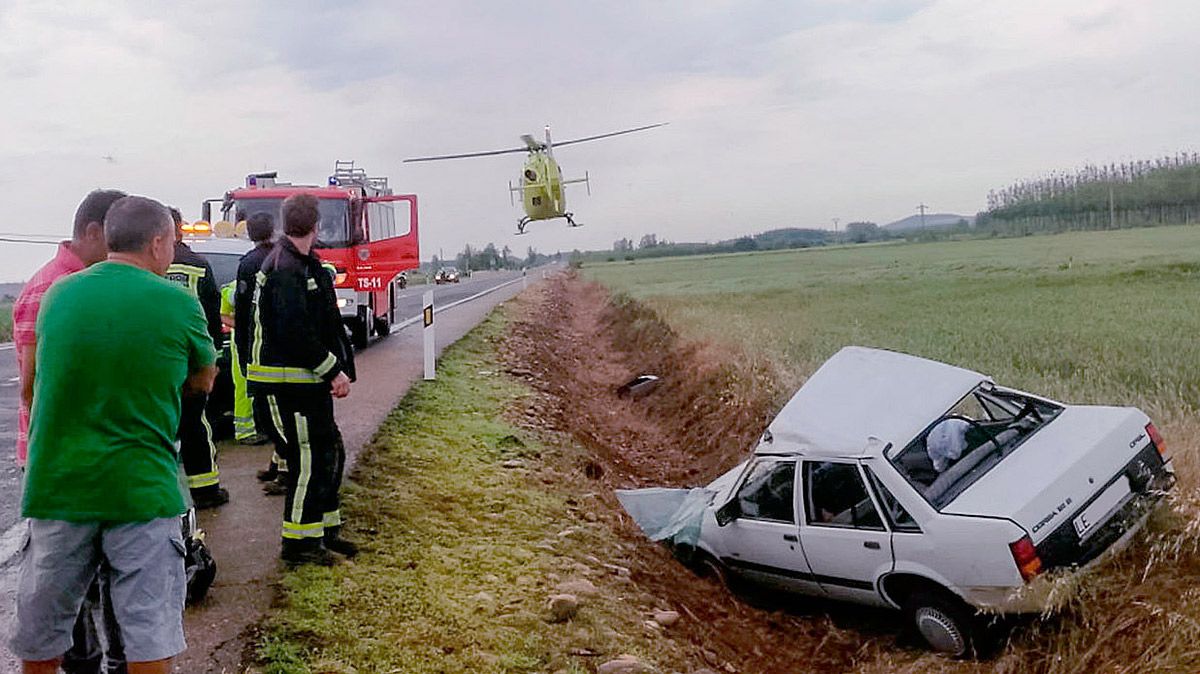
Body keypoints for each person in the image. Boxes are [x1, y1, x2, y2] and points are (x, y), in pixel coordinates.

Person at [9, 195, 217, 674]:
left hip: (58, 488)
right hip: (141, 492)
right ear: (159, 242)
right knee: (148, 632)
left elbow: (29, 388)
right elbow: (204, 378)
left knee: (43, 632)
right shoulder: (177, 303)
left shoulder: (58, 293)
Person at [13, 190, 129, 674]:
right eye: (118, 240)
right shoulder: (55, 289)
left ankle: (103, 660)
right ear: (94, 233)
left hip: (84, 454)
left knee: (102, 575)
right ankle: (85, 664)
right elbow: (35, 392)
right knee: (66, 585)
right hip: (62, 460)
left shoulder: (77, 283)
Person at [246, 193, 357, 567]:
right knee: (307, 460)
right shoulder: (286, 269)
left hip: (306, 385)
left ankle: (324, 532)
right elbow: (295, 333)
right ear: (316, 225)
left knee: (329, 454)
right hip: (286, 387)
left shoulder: (303, 264)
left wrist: (336, 370)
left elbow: (324, 324)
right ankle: (300, 545)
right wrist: (333, 369)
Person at [166, 207, 228, 509]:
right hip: (192, 355)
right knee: (195, 423)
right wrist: (214, 355)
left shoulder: (147, 265)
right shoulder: (198, 265)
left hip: (159, 355)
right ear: (178, 228)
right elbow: (211, 314)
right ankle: (205, 489)